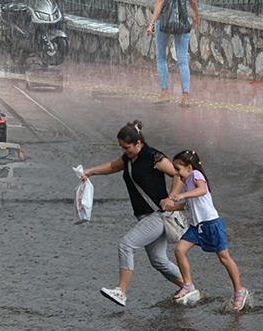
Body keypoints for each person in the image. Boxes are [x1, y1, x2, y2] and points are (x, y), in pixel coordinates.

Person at [81, 120, 184, 307]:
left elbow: (178, 174)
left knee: (126, 245)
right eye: (121, 147)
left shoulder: (154, 157)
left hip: (158, 215)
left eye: (126, 147)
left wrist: (172, 197)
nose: (124, 150)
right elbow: (112, 166)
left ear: (138, 143)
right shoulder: (129, 158)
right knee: (159, 261)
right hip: (145, 216)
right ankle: (188, 287)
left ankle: (121, 291)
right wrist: (90, 172)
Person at [161, 150, 249, 311]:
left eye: (178, 169)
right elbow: (187, 205)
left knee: (224, 258)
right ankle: (188, 285)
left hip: (211, 224)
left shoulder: (195, 175)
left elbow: (201, 190)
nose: (176, 173)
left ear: (188, 167)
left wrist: (182, 195)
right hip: (196, 226)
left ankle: (239, 291)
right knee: (179, 250)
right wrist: (171, 206)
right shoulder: (187, 182)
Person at [146, 0, 200, 107]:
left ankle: (164, 93)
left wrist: (151, 23)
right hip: (183, 20)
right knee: (182, 59)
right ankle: (185, 96)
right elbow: (192, 0)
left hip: (165, 21)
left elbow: (161, 0)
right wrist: (196, 15)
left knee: (161, 57)